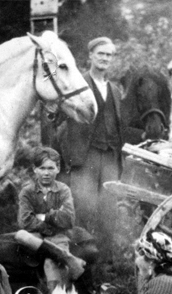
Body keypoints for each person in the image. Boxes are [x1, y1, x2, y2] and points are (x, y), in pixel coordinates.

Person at [56, 37, 124, 254]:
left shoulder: (113, 89)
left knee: (108, 209)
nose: (105, 58)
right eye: (101, 54)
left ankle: (106, 259)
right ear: (91, 56)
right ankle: (80, 257)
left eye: (109, 55)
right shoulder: (79, 84)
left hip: (111, 155)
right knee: (84, 207)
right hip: (86, 156)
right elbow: (58, 117)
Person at [18, 146, 75, 292]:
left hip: (57, 237)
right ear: (35, 169)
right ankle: (63, 257)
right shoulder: (27, 191)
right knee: (21, 235)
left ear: (58, 169)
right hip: (35, 238)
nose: (46, 173)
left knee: (51, 262)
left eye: (51, 168)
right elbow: (25, 221)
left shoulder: (63, 190)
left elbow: (68, 219)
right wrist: (52, 221)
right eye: (42, 168)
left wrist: (42, 216)